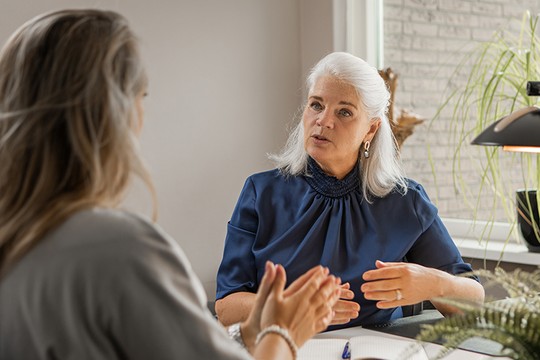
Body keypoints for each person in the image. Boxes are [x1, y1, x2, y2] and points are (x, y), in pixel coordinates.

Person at [0, 9, 342, 360]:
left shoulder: (18, 239)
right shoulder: (120, 249)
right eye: (142, 97)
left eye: (345, 112)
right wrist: (282, 334)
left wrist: (248, 334)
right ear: (114, 113)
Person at [215, 51, 485, 330]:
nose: (324, 121)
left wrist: (433, 284)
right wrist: (289, 308)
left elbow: (474, 300)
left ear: (371, 129)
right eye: (316, 105)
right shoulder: (261, 193)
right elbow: (227, 306)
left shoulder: (406, 201)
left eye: (344, 112)